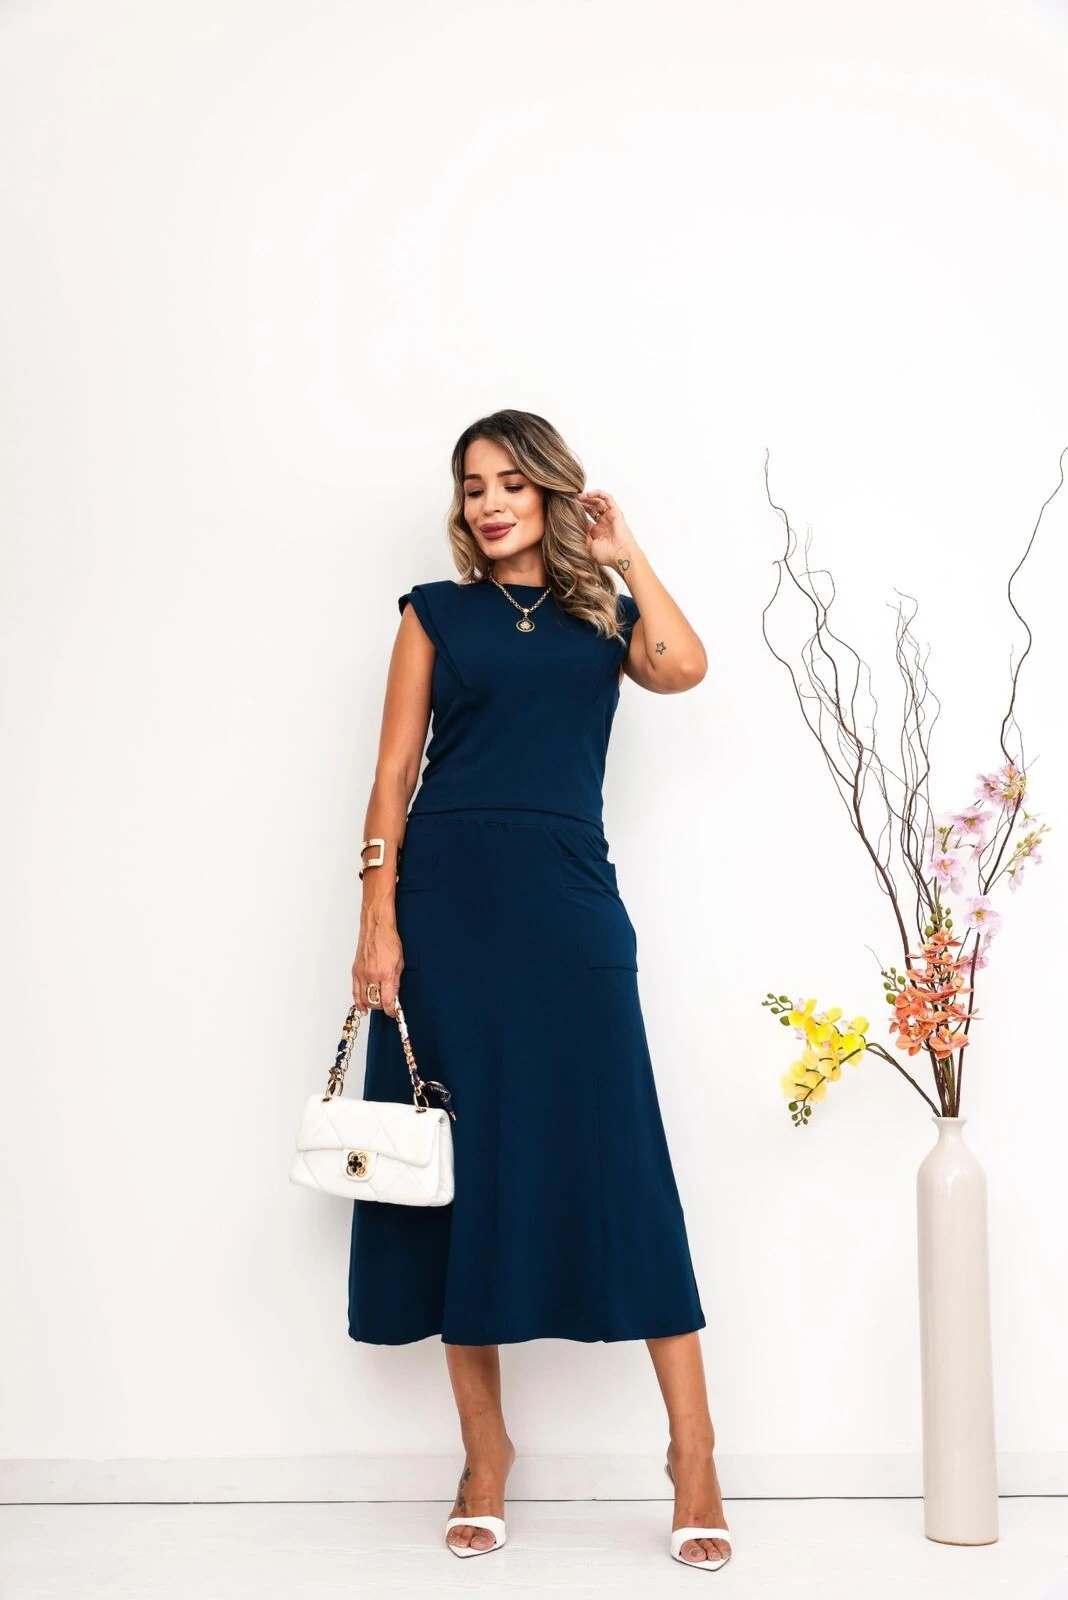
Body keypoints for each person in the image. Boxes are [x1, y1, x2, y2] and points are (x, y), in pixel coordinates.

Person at [348, 409, 732, 1571]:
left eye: (512, 482)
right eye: (473, 486)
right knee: (457, 1176)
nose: (490, 503)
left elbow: (683, 667)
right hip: (447, 909)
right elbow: (393, 773)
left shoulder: (600, 612)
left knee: (624, 1162)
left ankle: (695, 1453)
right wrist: (377, 917)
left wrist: (627, 554)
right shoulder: (433, 612)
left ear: (553, 491)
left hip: (570, 905)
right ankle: (484, 1454)